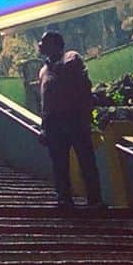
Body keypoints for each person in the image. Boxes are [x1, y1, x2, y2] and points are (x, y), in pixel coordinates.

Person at [37, 29, 104, 213]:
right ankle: (64, 199)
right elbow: (45, 101)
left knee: (86, 161)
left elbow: (81, 85)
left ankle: (95, 199)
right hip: (53, 123)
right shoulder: (43, 71)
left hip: (74, 118)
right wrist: (44, 127)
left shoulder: (72, 58)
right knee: (59, 163)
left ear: (56, 44)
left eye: (44, 42)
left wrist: (86, 114)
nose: (40, 45)